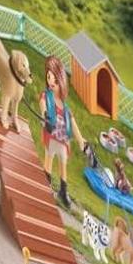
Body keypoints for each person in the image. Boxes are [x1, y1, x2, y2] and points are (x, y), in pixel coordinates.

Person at [40, 55, 84, 209]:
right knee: (49, 158)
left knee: (63, 165)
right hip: (51, 136)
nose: (51, 82)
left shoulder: (65, 107)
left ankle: (63, 192)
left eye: (55, 80)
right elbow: (42, 105)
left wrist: (81, 141)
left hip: (63, 141)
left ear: (61, 82)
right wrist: (45, 115)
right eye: (49, 78)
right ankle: (45, 183)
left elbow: (73, 124)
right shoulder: (47, 97)